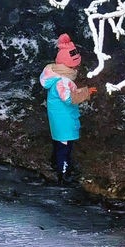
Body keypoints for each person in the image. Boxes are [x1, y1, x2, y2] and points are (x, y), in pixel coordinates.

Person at [39, 34, 97, 185]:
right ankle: (63, 175)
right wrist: (86, 93)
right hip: (63, 119)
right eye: (75, 66)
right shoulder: (63, 81)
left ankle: (57, 164)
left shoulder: (58, 76)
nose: (77, 68)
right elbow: (69, 98)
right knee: (64, 147)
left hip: (59, 118)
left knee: (60, 143)